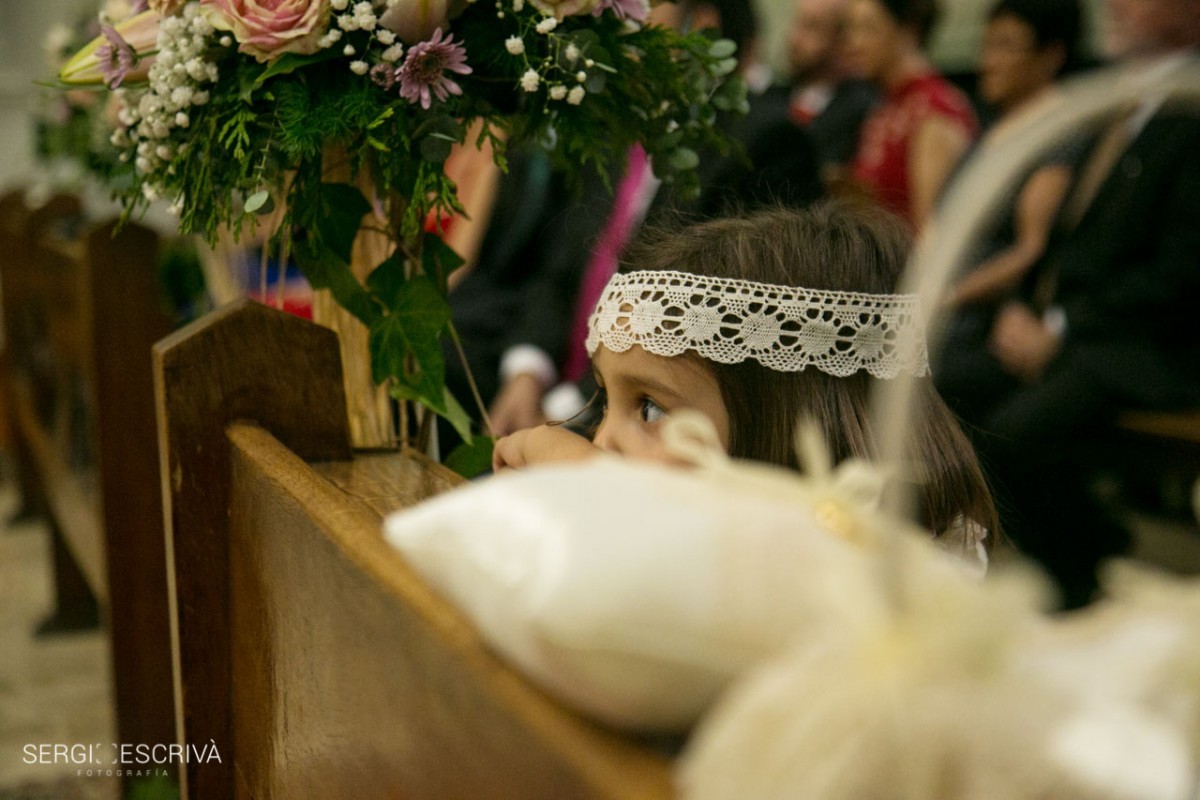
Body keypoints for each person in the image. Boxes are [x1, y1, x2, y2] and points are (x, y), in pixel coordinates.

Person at [494, 202, 998, 554]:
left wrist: (583, 481)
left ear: (799, 434)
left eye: (650, 408)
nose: (601, 441)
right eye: (606, 401)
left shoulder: (861, 578)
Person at [933, 0, 1200, 608]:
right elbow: (1061, 238)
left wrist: (1060, 326)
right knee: (950, 387)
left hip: (1148, 343)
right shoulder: (1121, 98)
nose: (1116, 6)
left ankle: (1082, 577)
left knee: (1012, 437)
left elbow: (1184, 271)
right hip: (1082, 328)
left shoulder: (1189, 107)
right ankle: (1080, 548)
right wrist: (1022, 307)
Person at [944, 0, 1086, 311]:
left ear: (1051, 56)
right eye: (985, 45)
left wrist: (948, 297)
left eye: (1005, 46)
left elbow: (1029, 250)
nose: (987, 61)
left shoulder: (1057, 136)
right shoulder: (997, 125)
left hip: (986, 312)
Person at [845, 0, 978, 228]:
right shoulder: (886, 105)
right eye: (851, 29)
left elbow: (931, 229)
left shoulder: (933, 111)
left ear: (908, 32)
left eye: (869, 28)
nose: (854, 43)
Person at [782, 0, 879, 178]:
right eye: (798, 23)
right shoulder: (774, 96)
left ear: (844, 41)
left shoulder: (863, 111)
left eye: (812, 27)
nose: (795, 38)